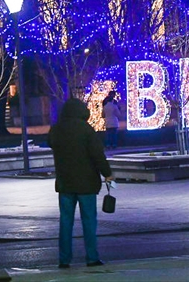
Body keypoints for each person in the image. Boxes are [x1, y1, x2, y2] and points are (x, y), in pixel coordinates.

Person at [48, 97, 113, 269]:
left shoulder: (56, 130)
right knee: (89, 221)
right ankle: (92, 258)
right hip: (86, 184)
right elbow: (98, 155)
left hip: (65, 183)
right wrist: (107, 174)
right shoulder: (86, 130)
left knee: (66, 222)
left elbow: (51, 144)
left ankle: (64, 259)